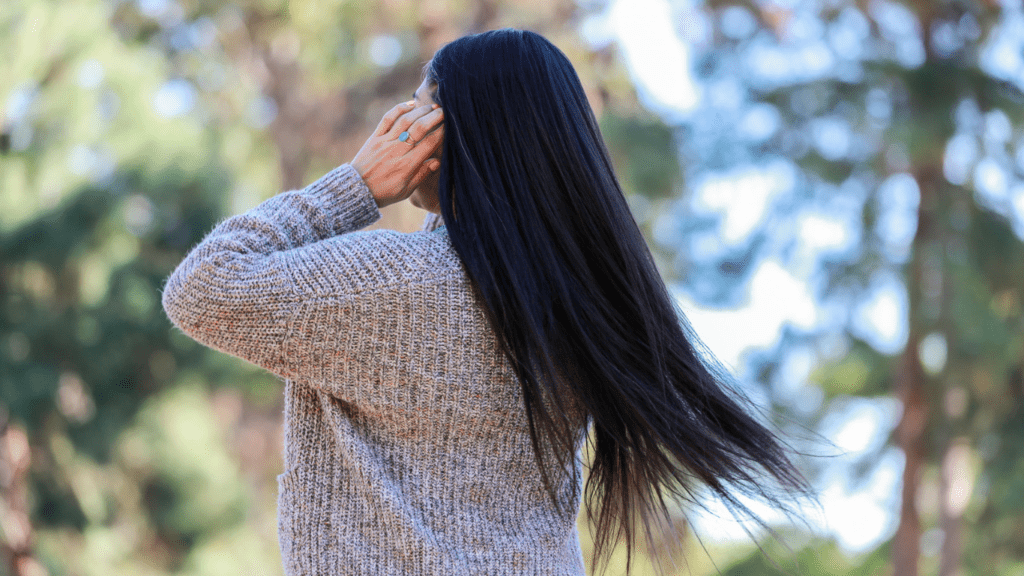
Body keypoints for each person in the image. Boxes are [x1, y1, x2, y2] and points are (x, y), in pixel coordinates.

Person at [161, 27, 816, 576]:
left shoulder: (394, 287)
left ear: (447, 137)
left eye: (417, 114)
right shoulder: (573, 308)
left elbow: (202, 289)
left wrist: (354, 185)